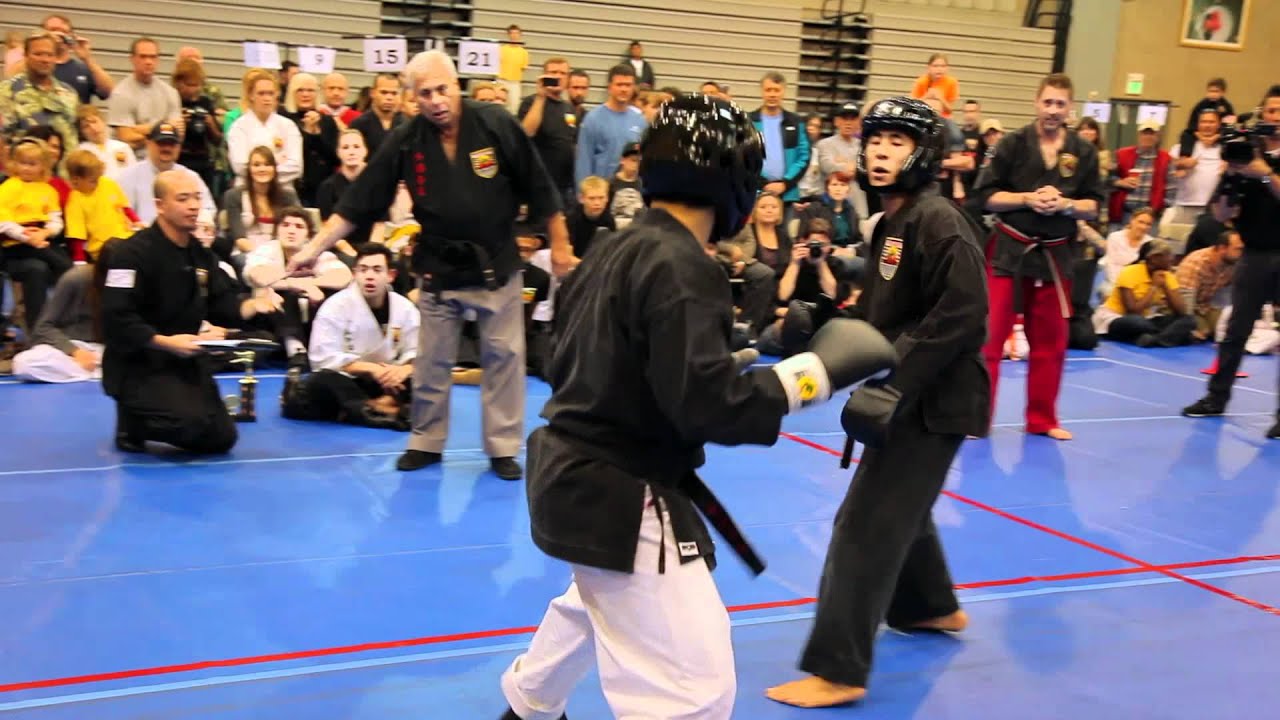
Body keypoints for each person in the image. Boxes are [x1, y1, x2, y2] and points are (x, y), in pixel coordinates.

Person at [497, 94, 898, 720]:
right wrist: (811, 376)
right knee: (694, 692)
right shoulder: (686, 265)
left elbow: (569, 357)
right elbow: (708, 408)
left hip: (567, 478)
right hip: (621, 494)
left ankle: (527, 705)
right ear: (733, 181)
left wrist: (712, 358)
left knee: (595, 599)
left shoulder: (610, 248)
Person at [765, 96, 989, 709]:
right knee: (901, 510)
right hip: (911, 393)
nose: (882, 152)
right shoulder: (892, 223)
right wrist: (826, 329)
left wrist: (897, 380)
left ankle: (839, 669)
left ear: (925, 155)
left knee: (865, 525)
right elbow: (888, 313)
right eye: (876, 141)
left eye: (898, 142)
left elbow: (967, 312)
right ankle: (931, 607)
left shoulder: (940, 219)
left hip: (934, 400)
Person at [286, 50, 577, 480]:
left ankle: (501, 447)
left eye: (443, 89)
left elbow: (539, 183)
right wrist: (313, 248)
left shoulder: (495, 122)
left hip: (496, 259)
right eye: (425, 94)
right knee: (433, 360)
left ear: (456, 85)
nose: (437, 100)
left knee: (504, 358)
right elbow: (359, 200)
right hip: (440, 264)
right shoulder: (407, 138)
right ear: (413, 98)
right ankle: (426, 440)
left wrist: (560, 244)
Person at [101, 170, 283, 454]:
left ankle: (164, 409)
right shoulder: (130, 254)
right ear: (160, 205)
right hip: (139, 361)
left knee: (222, 438)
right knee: (190, 424)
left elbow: (222, 306)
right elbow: (116, 319)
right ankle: (131, 420)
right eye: (183, 199)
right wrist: (164, 342)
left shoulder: (199, 253)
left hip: (185, 359)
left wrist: (253, 304)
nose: (194, 206)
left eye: (197, 197)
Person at [974, 73, 1103, 441]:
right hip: (1009, 251)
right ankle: (978, 417)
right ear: (1036, 103)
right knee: (991, 338)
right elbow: (986, 197)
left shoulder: (1084, 151)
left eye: (1060, 104)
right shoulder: (1012, 144)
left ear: (1070, 109)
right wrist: (1027, 198)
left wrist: (1066, 205)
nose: (1052, 110)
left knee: (1051, 342)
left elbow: (1094, 207)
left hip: (1055, 256)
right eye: (1047, 102)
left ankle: (1042, 419)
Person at [1183, 84, 1280, 440]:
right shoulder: (1245, 155)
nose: (1277, 118)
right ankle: (1215, 398)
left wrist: (1263, 174)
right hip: (1253, 253)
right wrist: (1232, 178)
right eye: (1272, 111)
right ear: (1262, 114)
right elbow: (1222, 212)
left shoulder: (1262, 164)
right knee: (1236, 330)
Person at [282, 244, 418, 430]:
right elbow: (323, 359)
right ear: (355, 273)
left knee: (424, 376)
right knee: (322, 380)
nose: (369, 276)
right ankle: (378, 410)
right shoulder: (335, 306)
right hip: (348, 380)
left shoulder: (405, 308)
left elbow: (417, 350)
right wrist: (372, 369)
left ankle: (372, 407)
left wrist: (404, 370)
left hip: (388, 381)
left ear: (390, 275)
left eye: (377, 270)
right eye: (363, 270)